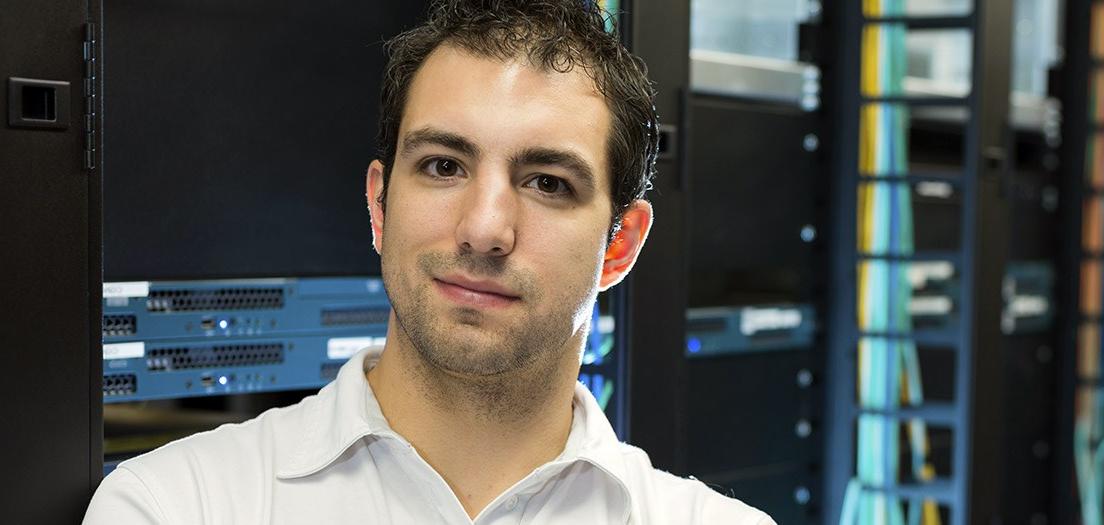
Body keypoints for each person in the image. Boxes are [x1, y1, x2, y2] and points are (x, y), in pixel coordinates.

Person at [83, 0, 771, 522]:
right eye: (444, 165)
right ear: (380, 206)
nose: (483, 229)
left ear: (620, 244)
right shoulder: (176, 506)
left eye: (547, 182)